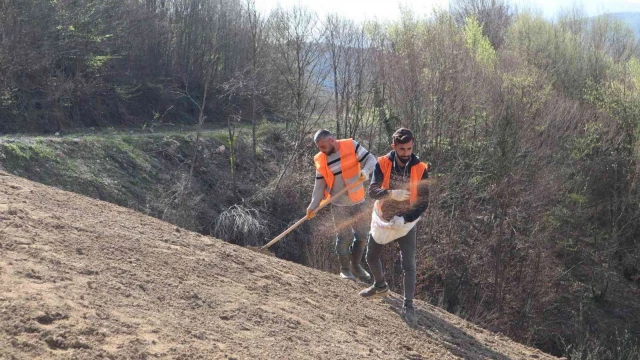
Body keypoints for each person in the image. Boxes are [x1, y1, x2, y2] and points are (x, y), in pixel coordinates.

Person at [359, 128, 430, 323]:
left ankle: (408, 305)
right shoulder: (382, 163)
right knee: (371, 255)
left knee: (408, 264)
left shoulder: (421, 168)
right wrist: (390, 193)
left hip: (406, 221)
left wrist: (406, 219)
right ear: (394, 147)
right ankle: (380, 286)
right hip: (383, 217)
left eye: (409, 148)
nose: (406, 153)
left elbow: (424, 202)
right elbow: (373, 190)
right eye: (402, 149)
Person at [307, 129, 377, 281]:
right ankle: (345, 270)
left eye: (323, 147)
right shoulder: (321, 159)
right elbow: (319, 187)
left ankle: (356, 266)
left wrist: (365, 171)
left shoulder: (351, 146)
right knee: (344, 237)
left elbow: (372, 160)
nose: (321, 151)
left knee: (362, 236)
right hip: (338, 204)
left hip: (359, 201)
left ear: (332, 140)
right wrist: (313, 206)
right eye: (319, 148)